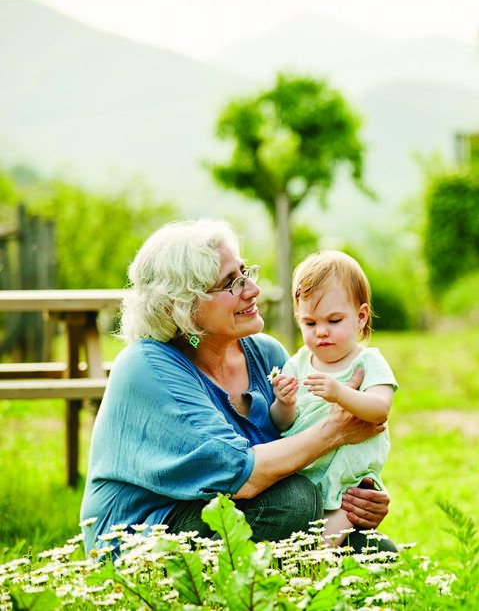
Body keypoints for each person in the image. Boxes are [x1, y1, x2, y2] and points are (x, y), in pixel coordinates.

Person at [80, 220, 394, 555]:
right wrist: (336, 431)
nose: (253, 290)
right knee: (295, 501)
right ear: (182, 306)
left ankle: (282, 585)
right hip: (148, 535)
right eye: (231, 283)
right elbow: (241, 476)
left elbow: (298, 446)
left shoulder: (266, 353)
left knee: (377, 552)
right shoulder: (146, 366)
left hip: (242, 514)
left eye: (246, 273)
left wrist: (355, 495)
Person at [270, 250, 397, 548]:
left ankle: (313, 571)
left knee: (322, 545)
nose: (322, 332)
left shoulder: (368, 363)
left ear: (361, 317)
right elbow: (280, 424)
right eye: (310, 323)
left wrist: (341, 393)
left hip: (348, 480)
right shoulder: (297, 363)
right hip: (306, 470)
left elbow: (379, 410)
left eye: (334, 320)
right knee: (299, 536)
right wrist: (284, 403)